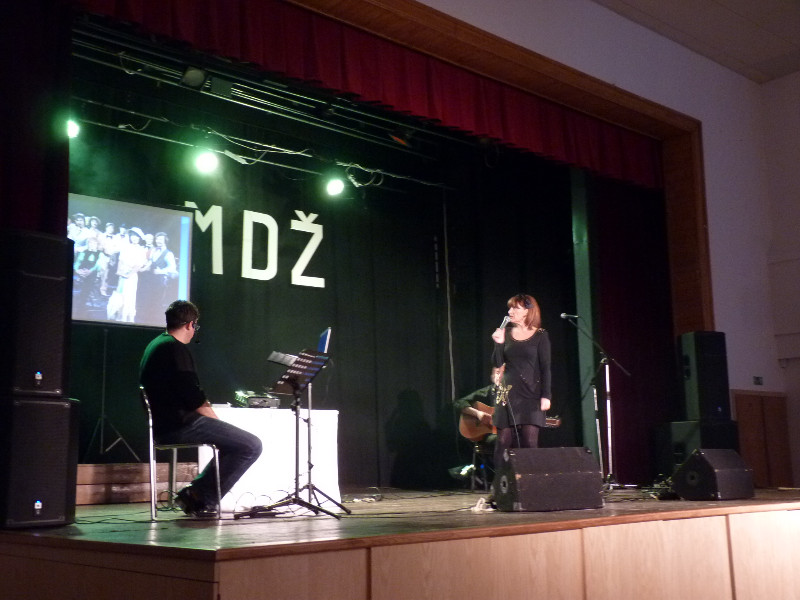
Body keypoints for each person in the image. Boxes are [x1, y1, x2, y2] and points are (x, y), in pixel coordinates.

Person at [139, 300, 262, 517]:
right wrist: (216, 421)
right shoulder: (174, 348)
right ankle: (200, 498)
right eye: (195, 326)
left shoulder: (156, 344)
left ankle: (196, 495)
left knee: (235, 444)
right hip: (180, 424)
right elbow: (193, 397)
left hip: (164, 424)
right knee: (251, 445)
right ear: (190, 324)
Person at [490, 293, 552, 475]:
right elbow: (497, 363)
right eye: (510, 308)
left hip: (531, 394)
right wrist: (498, 343)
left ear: (527, 311)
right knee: (502, 441)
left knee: (529, 441)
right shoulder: (506, 334)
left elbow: (546, 367)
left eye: (515, 308)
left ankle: (532, 482)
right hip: (508, 393)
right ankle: (500, 484)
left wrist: (546, 395)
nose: (510, 311)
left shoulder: (540, 336)